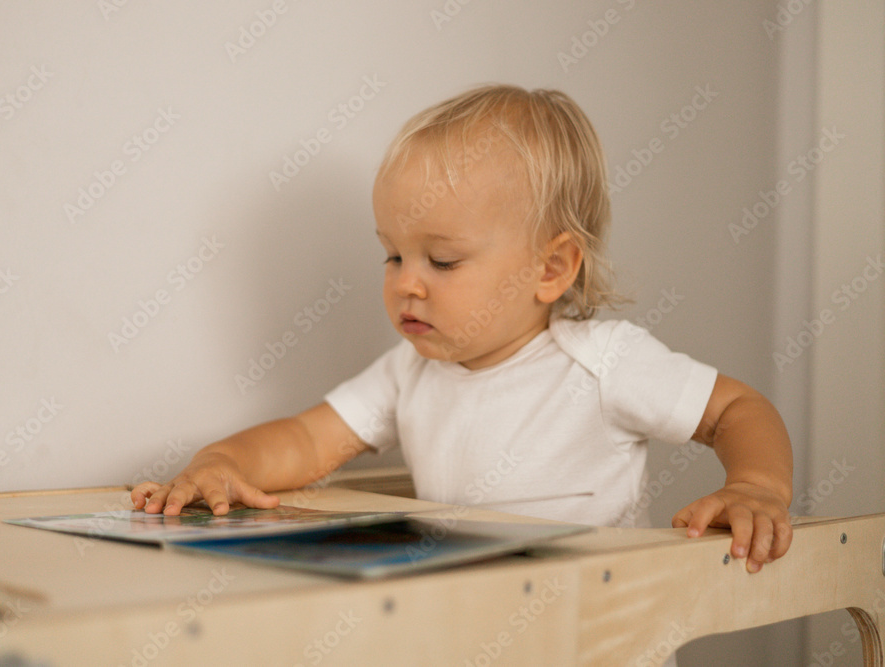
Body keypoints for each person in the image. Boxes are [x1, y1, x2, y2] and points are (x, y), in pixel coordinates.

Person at [131, 84, 793, 574]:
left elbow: (734, 408)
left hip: (598, 636)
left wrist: (757, 486)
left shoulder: (601, 361)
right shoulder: (409, 370)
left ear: (552, 267)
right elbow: (307, 438)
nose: (406, 282)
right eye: (393, 254)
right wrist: (219, 464)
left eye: (441, 260)